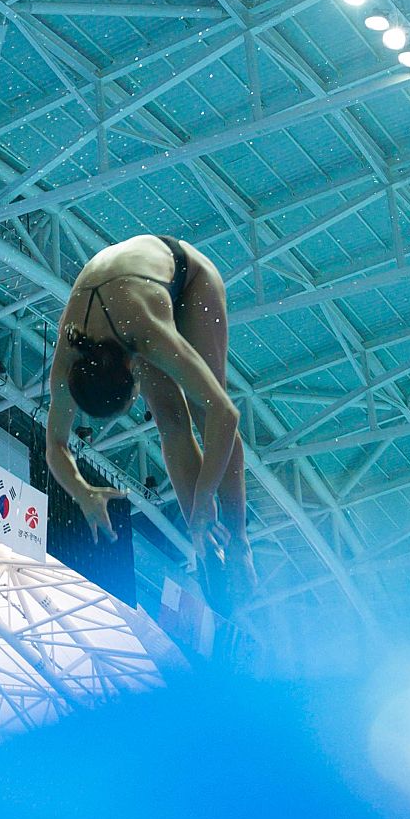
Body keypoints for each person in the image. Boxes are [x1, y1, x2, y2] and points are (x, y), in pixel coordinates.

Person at [44, 234, 256, 611]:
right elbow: (54, 446)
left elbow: (227, 413)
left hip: (188, 279)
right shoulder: (67, 362)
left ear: (132, 366)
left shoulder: (146, 333)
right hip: (122, 300)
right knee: (170, 420)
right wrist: (82, 492)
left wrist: (206, 497)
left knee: (207, 409)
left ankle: (238, 540)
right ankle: (201, 534)